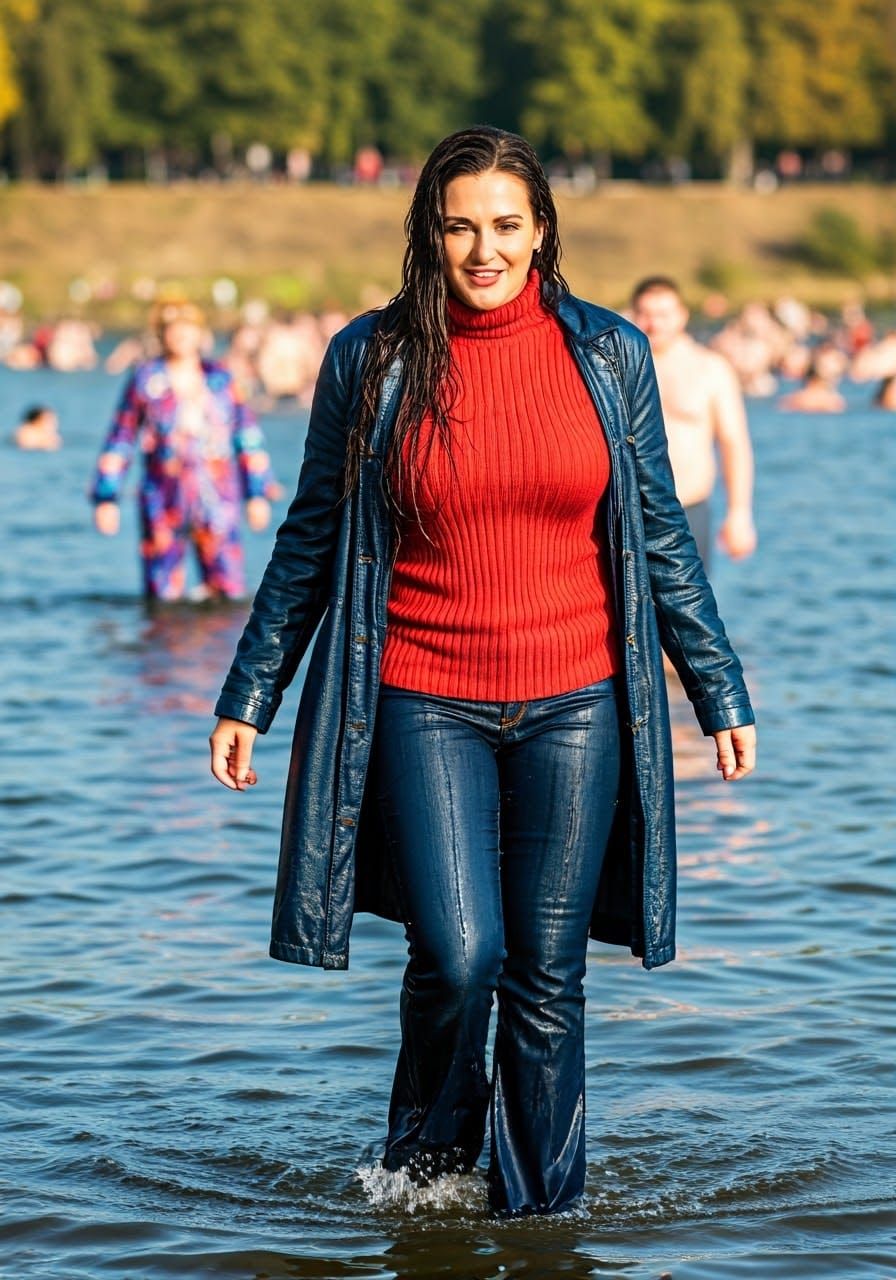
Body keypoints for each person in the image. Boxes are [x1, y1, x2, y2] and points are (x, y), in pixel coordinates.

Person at [209, 127, 756, 1218]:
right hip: (423, 694)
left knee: (546, 976)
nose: (482, 248)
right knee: (458, 956)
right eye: (458, 225)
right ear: (427, 232)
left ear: (541, 227)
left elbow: (657, 532)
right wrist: (250, 690)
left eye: (504, 224)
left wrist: (715, 685)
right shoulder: (370, 358)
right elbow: (312, 533)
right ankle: (424, 1180)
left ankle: (541, 1211)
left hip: (576, 700)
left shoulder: (606, 354)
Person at [90, 297, 277, 602]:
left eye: (186, 327)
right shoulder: (146, 379)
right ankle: (162, 648)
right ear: (161, 334)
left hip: (217, 497)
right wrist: (106, 497)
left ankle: (217, 649)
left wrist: (257, 493)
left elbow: (248, 436)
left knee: (227, 592)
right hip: (161, 497)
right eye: (171, 328)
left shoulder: (220, 378)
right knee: (161, 595)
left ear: (200, 333)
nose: (179, 334)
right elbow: (120, 438)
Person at [631, 277, 757, 568]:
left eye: (663, 315)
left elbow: (733, 442)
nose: (655, 324)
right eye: (646, 314)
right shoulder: (621, 368)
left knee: (689, 609)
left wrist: (739, 513)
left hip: (689, 508)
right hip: (631, 512)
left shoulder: (710, 368)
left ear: (682, 315)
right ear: (634, 315)